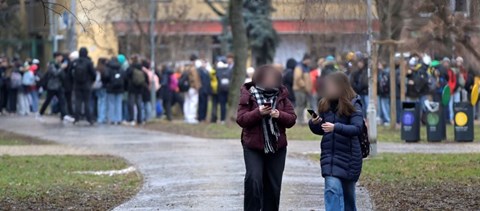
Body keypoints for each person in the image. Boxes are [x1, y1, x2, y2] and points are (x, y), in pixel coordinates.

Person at [237, 64, 296, 211]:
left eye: (273, 78)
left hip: (277, 147)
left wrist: (279, 115)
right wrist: (258, 112)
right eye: (267, 78)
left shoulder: (282, 97)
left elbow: (291, 120)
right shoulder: (248, 95)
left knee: (273, 185)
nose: (270, 81)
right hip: (253, 146)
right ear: (259, 79)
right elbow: (241, 119)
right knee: (254, 180)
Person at [309, 72, 363, 211]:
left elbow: (357, 128)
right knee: (331, 189)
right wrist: (314, 123)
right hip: (329, 157)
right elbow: (321, 129)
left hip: (349, 157)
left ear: (341, 86)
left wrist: (336, 127)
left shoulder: (354, 103)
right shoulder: (324, 103)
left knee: (348, 198)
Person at [38, 52, 72, 121]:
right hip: (52, 86)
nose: (61, 58)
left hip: (59, 86)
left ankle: (64, 115)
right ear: (57, 57)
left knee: (62, 100)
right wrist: (61, 68)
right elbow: (55, 73)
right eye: (60, 57)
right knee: (48, 100)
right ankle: (40, 114)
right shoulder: (51, 64)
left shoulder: (59, 64)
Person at [72, 47, 97, 125]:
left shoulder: (75, 62)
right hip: (87, 84)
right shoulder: (89, 62)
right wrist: (91, 81)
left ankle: (76, 118)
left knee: (78, 101)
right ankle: (89, 119)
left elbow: (70, 73)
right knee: (87, 102)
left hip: (77, 85)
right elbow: (94, 74)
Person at [126, 56, 148, 126]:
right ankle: (140, 119)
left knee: (131, 104)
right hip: (140, 88)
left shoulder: (130, 68)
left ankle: (132, 119)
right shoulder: (141, 68)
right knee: (139, 104)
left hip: (132, 88)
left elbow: (126, 77)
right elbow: (146, 78)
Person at [104, 57, 125, 125]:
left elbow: (106, 77)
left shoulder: (109, 68)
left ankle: (111, 119)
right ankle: (118, 119)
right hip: (120, 88)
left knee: (111, 103)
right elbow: (124, 77)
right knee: (118, 104)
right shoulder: (120, 68)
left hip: (111, 88)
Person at [293, 54, 312, 124]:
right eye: (309, 60)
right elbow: (298, 78)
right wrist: (304, 85)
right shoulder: (299, 67)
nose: (310, 62)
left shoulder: (306, 67)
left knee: (304, 105)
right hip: (299, 90)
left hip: (305, 90)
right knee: (300, 105)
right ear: (306, 59)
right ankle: (299, 120)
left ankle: (302, 119)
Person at [183, 55, 201, 124]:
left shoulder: (186, 67)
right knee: (193, 102)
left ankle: (186, 117)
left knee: (187, 101)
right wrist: (197, 87)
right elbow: (195, 78)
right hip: (193, 87)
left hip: (186, 87)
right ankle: (191, 117)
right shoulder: (193, 68)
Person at [215, 59, 232, 123]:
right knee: (226, 105)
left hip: (221, 90)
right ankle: (225, 118)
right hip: (227, 90)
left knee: (222, 105)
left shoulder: (218, 71)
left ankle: (222, 119)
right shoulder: (229, 70)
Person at [93, 58, 108, 124]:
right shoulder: (105, 69)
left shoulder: (96, 68)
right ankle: (102, 117)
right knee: (103, 102)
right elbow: (106, 77)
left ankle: (99, 117)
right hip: (103, 86)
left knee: (99, 102)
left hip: (97, 86)